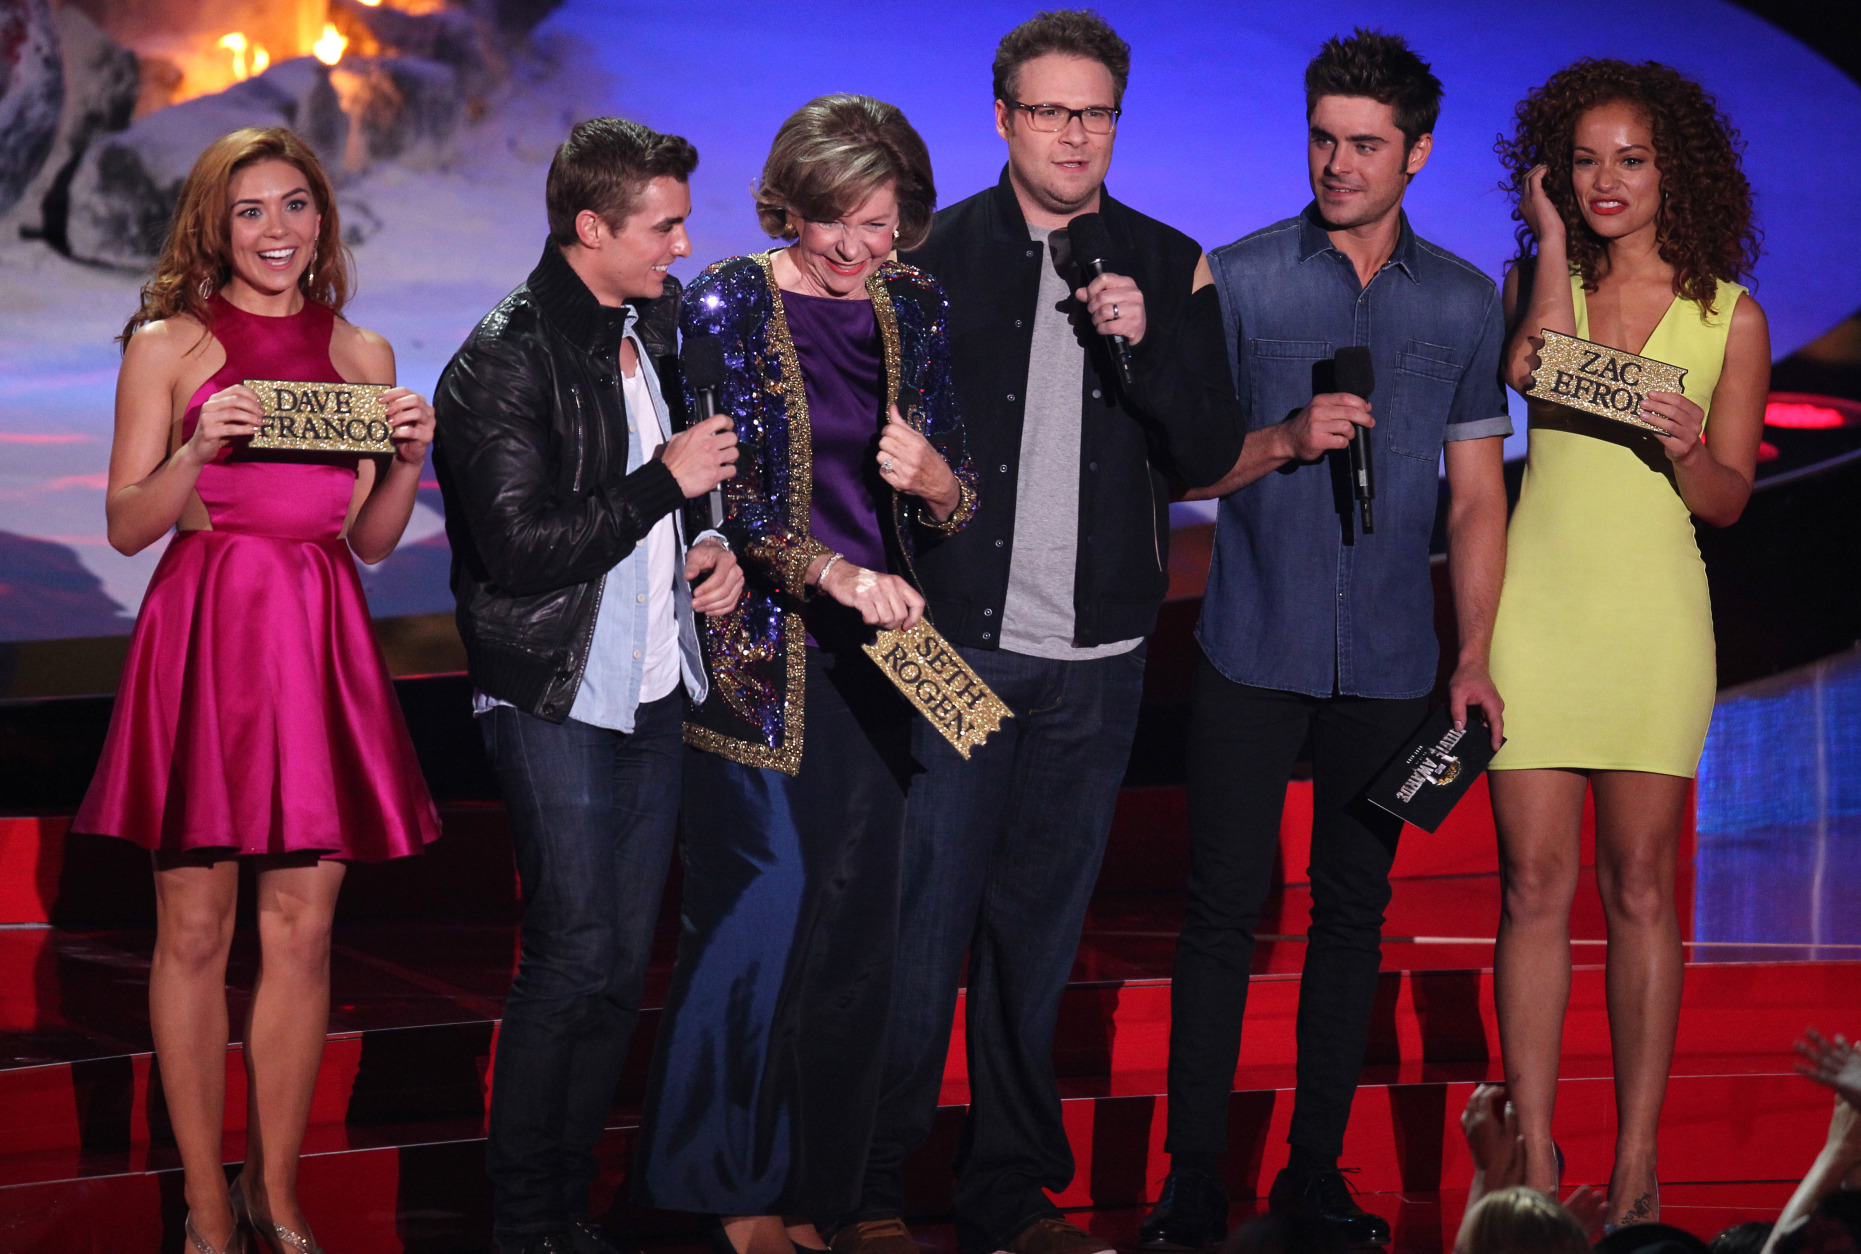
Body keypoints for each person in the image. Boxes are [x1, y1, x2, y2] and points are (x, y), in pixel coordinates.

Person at [836, 15, 1244, 1254]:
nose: (1075, 135)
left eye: (1095, 113)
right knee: (921, 927)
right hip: (952, 647)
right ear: (1004, 118)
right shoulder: (930, 257)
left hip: (1098, 661)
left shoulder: (1169, 263)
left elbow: (1208, 451)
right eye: (1051, 111)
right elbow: (863, 443)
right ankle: (867, 1186)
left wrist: (1145, 344)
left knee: (1037, 938)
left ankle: (1010, 1191)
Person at [1142, 29, 1513, 1248]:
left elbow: (1475, 497)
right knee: (1220, 912)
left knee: (1352, 915)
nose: (1338, 164)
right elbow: (1182, 467)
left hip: (1394, 661)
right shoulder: (1238, 278)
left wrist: (1472, 654)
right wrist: (1285, 439)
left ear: (1416, 153)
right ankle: (1193, 1176)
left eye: (1364, 144)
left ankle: (1313, 1171)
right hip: (1253, 640)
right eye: (1322, 139)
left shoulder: (1461, 300)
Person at [71, 126, 443, 1254]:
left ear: (322, 219)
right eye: (250, 211)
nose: (276, 230)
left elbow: (370, 541)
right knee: (193, 931)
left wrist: (411, 460)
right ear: (214, 226)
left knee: (303, 931)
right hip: (207, 632)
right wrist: (197, 449)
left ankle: (274, 1194)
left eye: (295, 205)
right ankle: (202, 1202)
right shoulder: (169, 344)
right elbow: (126, 526)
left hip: (318, 635)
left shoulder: (362, 351)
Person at [631, 94, 974, 1254]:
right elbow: (721, 501)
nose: (856, 246)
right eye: (836, 220)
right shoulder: (724, 301)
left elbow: (953, 493)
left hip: (886, 663)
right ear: (790, 204)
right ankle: (731, 1194)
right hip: (757, 658)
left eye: (880, 223)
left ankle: (821, 1195)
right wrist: (829, 572)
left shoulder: (915, 302)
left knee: (853, 934)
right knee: (762, 916)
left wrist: (936, 484)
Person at [431, 117, 743, 1254]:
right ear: (591, 227)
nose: (682, 244)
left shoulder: (654, 323)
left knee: (616, 968)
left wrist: (712, 542)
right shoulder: (501, 358)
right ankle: (525, 1224)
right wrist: (664, 484)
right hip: (552, 692)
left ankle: (571, 1209)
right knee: (569, 955)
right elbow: (517, 551)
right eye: (664, 226)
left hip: (652, 688)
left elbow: (696, 484)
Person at [1487, 59, 1768, 1225]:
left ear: (1673, 170)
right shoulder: (1533, 280)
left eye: (1631, 160)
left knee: (1641, 887)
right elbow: (1530, 367)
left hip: (1651, 619)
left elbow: (1726, 500)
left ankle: (1640, 1169)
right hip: (1535, 613)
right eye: (1584, 161)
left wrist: (1688, 445)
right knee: (1531, 884)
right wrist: (1552, 242)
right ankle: (1534, 1161)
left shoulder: (1728, 315)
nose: (1607, 181)